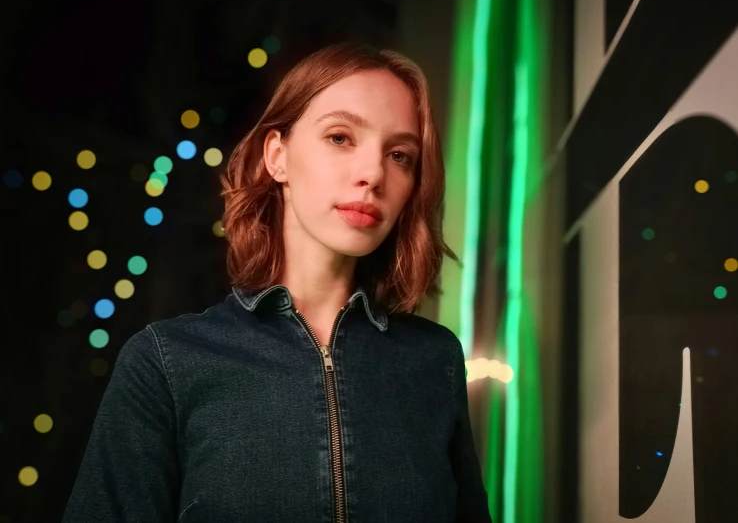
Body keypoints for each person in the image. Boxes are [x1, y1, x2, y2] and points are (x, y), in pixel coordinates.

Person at [62, 42, 492, 522]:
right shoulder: (167, 363)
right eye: (340, 137)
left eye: (399, 154)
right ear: (277, 156)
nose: (373, 173)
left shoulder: (436, 362)